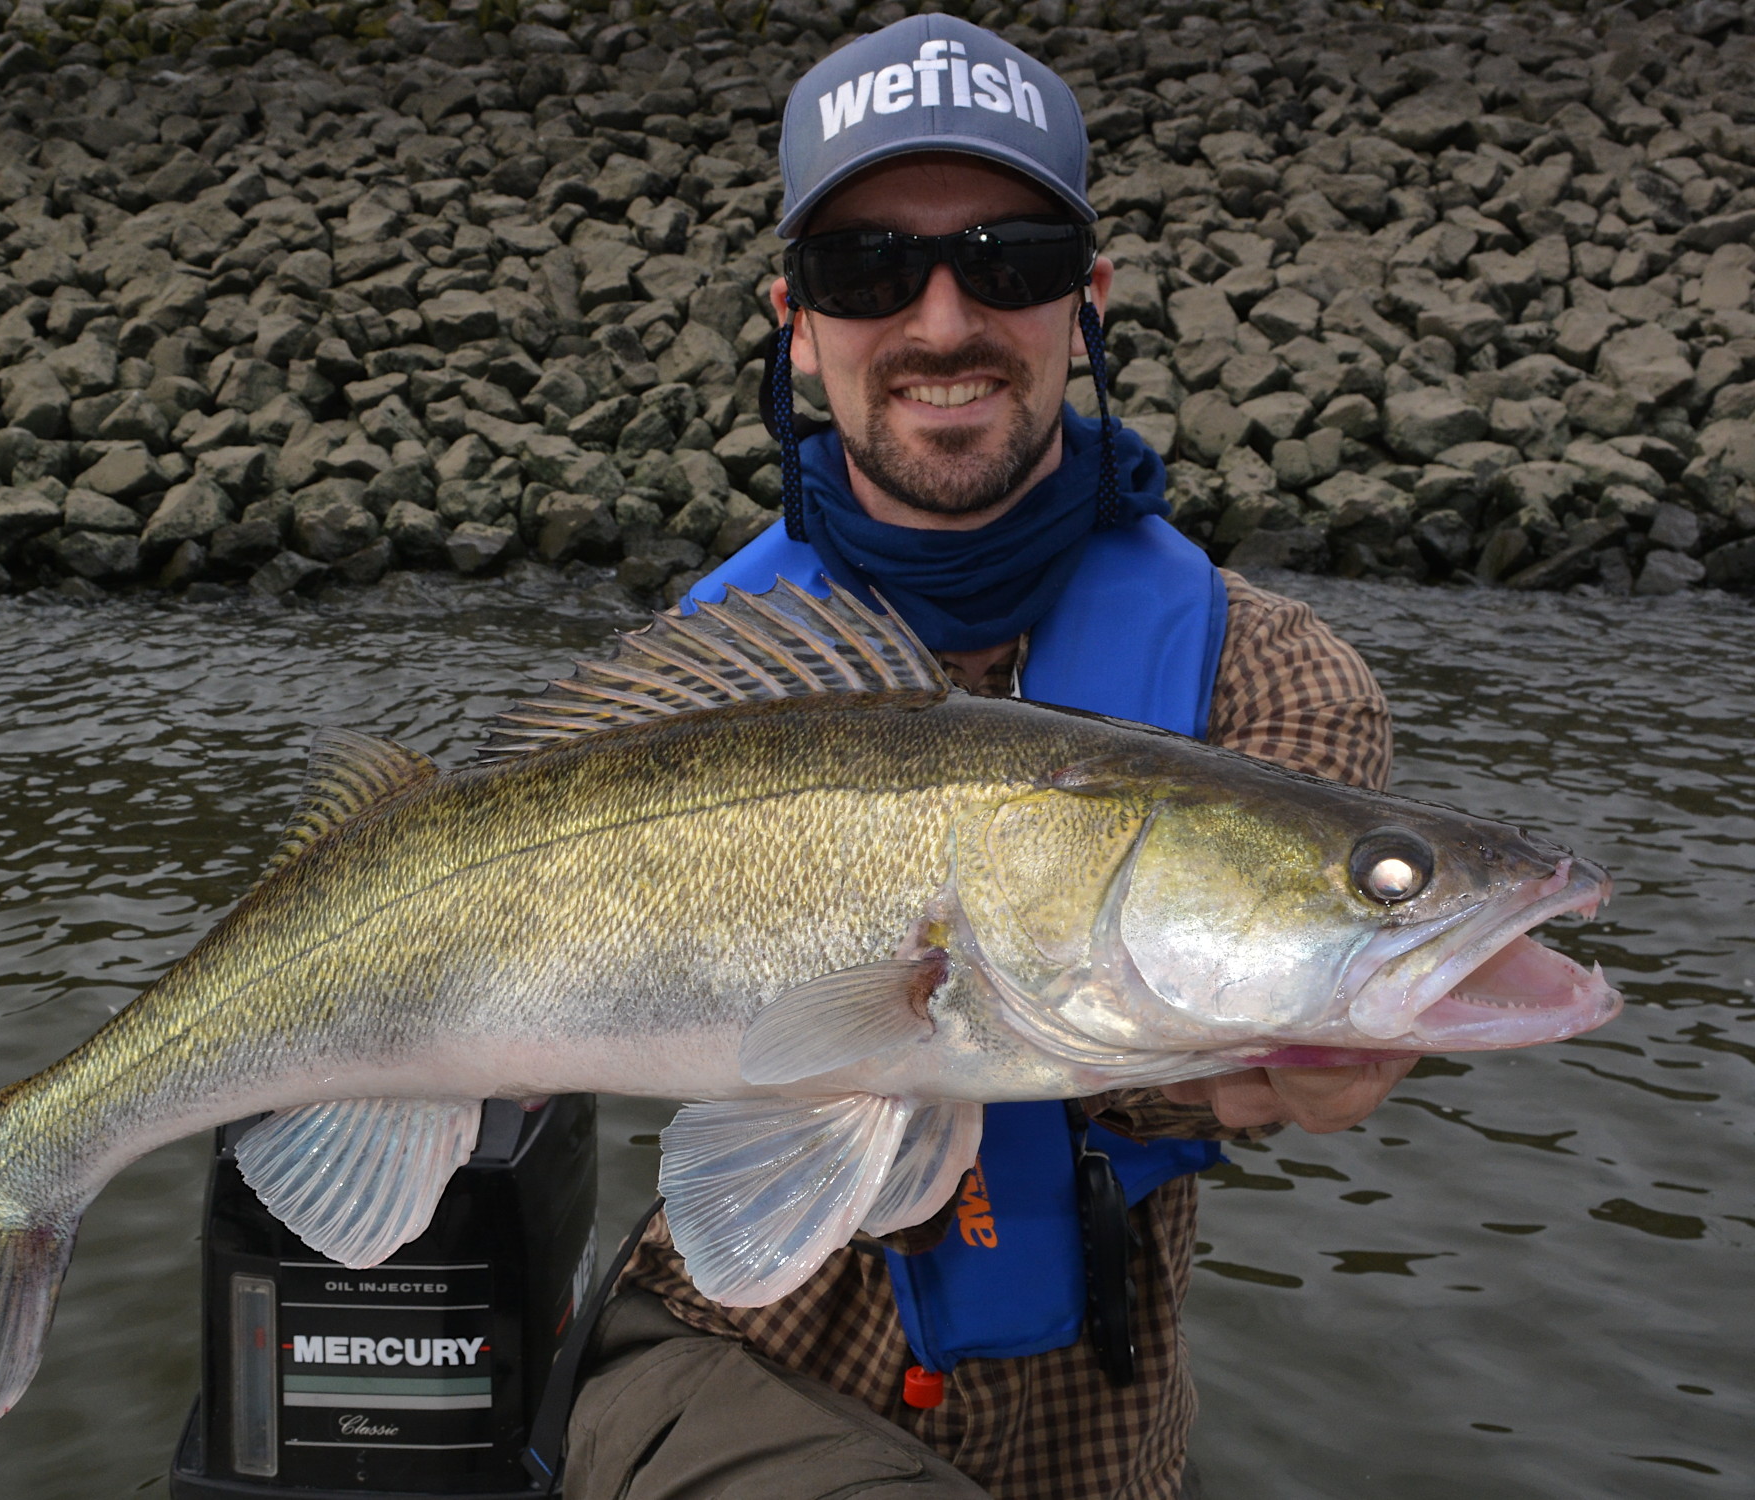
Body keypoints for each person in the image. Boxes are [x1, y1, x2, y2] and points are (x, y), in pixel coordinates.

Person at [564, 16, 1408, 1500]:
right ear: (796, 320)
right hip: (730, 1353)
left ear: (1085, 302)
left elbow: (1172, 1030)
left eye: (1008, 262)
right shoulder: (687, 691)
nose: (943, 321)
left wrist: (1296, 1044)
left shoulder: (1271, 676)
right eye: (867, 269)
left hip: (1103, 1420)